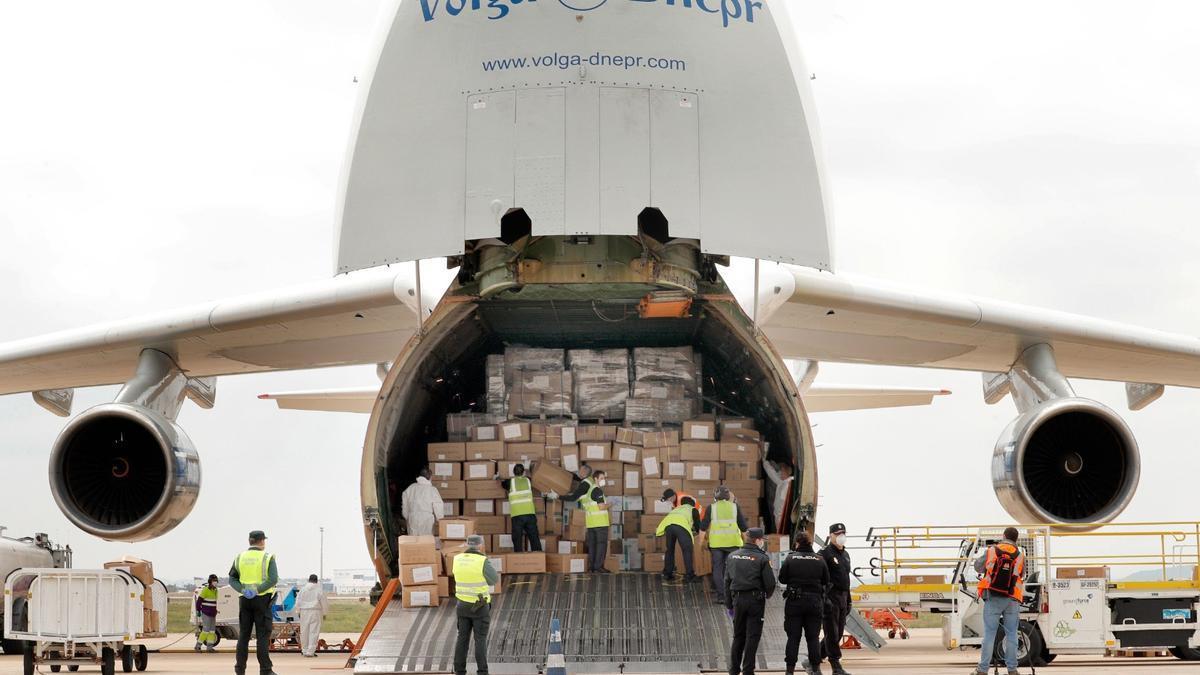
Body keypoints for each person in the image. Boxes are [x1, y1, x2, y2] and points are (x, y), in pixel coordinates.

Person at [971, 527, 1025, 675]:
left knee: (989, 634)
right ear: (1016, 539)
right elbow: (1022, 574)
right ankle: (1012, 669)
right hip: (1012, 599)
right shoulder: (1020, 555)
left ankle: (982, 670)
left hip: (993, 596)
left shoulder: (992, 550)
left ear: (1003, 536)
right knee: (1012, 634)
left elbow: (978, 567)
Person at [724, 527, 776, 675]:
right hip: (755, 601)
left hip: (737, 600)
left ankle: (734, 670)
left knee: (738, 636)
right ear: (758, 540)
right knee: (752, 636)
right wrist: (766, 595)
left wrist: (729, 604)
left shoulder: (732, 556)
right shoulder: (762, 558)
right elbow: (770, 583)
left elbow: (726, 581)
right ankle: (748, 670)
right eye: (762, 540)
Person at [229, 530, 279, 675]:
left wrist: (244, 590)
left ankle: (240, 670)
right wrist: (257, 590)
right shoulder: (268, 557)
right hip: (262, 600)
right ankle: (265, 670)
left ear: (250, 541)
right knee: (262, 635)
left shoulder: (239, 557)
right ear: (262, 541)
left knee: (244, 635)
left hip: (244, 600)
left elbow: (232, 579)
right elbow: (273, 579)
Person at [779, 533, 830, 675]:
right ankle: (816, 669)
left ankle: (790, 671)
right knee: (813, 638)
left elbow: (782, 579)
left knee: (793, 638)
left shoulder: (790, 558)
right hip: (814, 603)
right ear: (810, 543)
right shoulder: (819, 559)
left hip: (794, 603)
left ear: (797, 543)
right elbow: (826, 580)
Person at [453, 534, 500, 675]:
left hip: (462, 606)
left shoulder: (457, 559)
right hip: (479, 607)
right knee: (480, 639)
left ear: (467, 544)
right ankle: (482, 672)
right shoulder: (482, 561)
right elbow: (494, 580)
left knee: (462, 638)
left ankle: (459, 671)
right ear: (480, 545)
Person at [700, 486, 749, 604]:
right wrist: (747, 543)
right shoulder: (734, 507)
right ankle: (731, 595)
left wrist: (701, 543)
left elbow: (702, 528)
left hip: (716, 545)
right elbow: (743, 527)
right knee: (731, 569)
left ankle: (721, 596)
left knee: (717, 568)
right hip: (733, 543)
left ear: (715, 497)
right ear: (728, 496)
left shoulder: (711, 508)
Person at [817, 524, 853, 675]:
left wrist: (849, 600)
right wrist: (824, 598)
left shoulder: (845, 554)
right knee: (832, 632)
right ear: (830, 535)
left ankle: (814, 657)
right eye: (837, 533)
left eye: (843, 533)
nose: (841, 536)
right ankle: (835, 665)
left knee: (837, 633)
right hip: (830, 597)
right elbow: (819, 578)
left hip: (843, 597)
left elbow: (846, 578)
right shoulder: (824, 553)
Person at [564, 468, 610, 572]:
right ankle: (598, 567)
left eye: (604, 478)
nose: (604, 480)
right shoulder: (597, 491)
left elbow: (576, 498)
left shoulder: (588, 492)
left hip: (591, 523)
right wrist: (610, 504)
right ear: (595, 479)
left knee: (593, 546)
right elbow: (602, 507)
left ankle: (592, 567)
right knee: (601, 545)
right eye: (602, 478)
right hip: (600, 522)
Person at [655, 493, 702, 583]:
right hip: (681, 526)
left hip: (669, 526)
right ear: (692, 504)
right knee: (687, 550)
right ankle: (690, 575)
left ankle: (667, 574)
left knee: (670, 550)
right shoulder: (693, 509)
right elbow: (697, 526)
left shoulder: (677, 509)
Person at [499, 463, 542, 552]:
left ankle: (518, 556)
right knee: (534, 536)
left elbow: (503, 484)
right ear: (523, 472)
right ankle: (538, 555)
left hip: (517, 515)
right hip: (530, 514)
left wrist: (498, 478)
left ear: (513, 472)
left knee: (517, 538)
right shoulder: (528, 480)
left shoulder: (510, 482)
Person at [401, 468, 446, 536]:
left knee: (413, 541)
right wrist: (440, 519)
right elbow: (438, 505)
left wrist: (407, 515)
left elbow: (405, 503)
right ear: (430, 477)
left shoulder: (411, 488)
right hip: (426, 519)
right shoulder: (432, 490)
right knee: (426, 541)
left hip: (413, 518)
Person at [297, 574, 329, 658]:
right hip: (315, 612)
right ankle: (310, 652)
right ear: (317, 581)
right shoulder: (319, 590)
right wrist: (325, 613)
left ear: (308, 580)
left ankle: (304, 650)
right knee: (313, 632)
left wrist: (298, 611)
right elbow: (324, 602)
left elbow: (298, 601)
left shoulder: (303, 589)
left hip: (304, 612)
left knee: (304, 631)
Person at [761, 459, 794, 534]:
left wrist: (779, 516)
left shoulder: (787, 485)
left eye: (782, 472)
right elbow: (772, 473)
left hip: (782, 517)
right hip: (778, 515)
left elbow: (783, 504)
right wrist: (764, 461)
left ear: (787, 473)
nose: (780, 474)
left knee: (781, 535)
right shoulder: (782, 483)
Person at [194, 574, 219, 653]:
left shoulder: (216, 590)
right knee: (205, 630)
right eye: (213, 581)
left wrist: (216, 610)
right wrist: (198, 610)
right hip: (206, 613)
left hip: (213, 613)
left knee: (212, 631)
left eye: (216, 581)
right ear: (210, 582)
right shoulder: (205, 590)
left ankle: (209, 648)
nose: (215, 582)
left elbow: (214, 602)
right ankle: (198, 646)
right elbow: (199, 601)